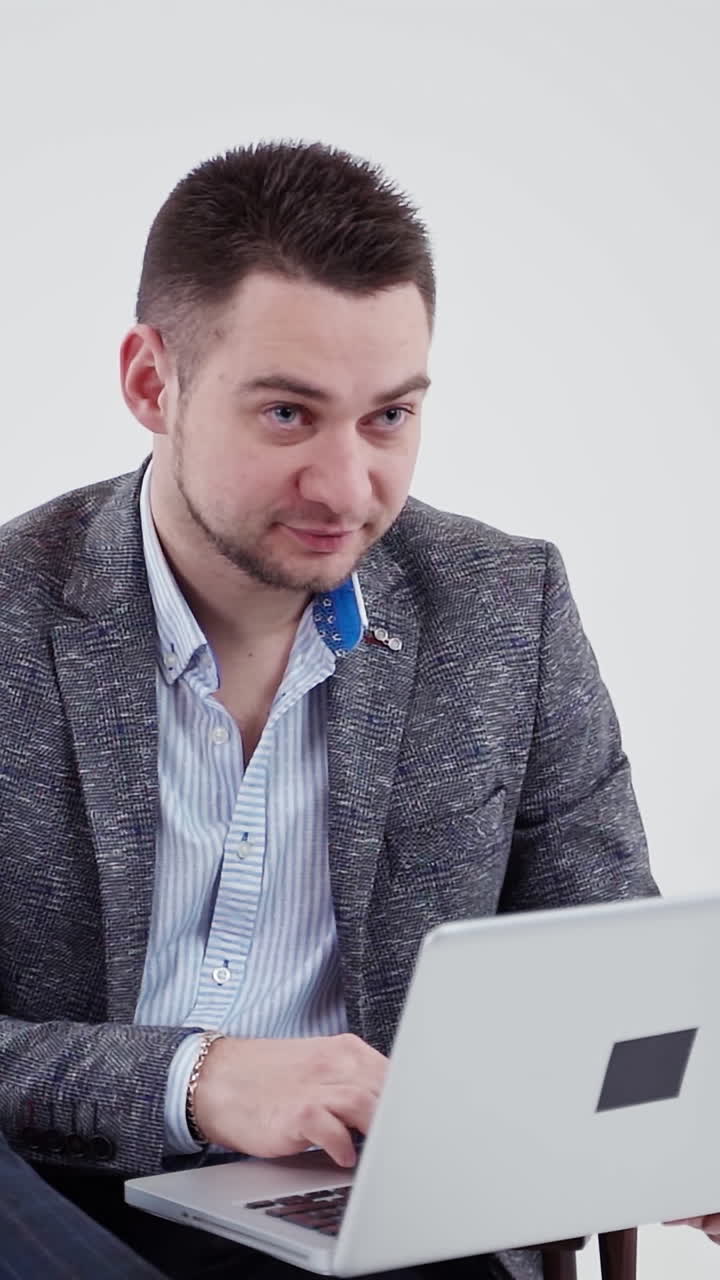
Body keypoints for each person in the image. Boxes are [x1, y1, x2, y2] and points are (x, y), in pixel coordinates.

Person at [0, 137, 704, 1277]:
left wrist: (678, 1125)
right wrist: (196, 1077)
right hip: (60, 1200)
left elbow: (605, 983)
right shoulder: (12, 618)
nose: (347, 487)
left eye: (389, 417)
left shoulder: (503, 611)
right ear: (151, 381)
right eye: (288, 414)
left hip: (372, 1218)